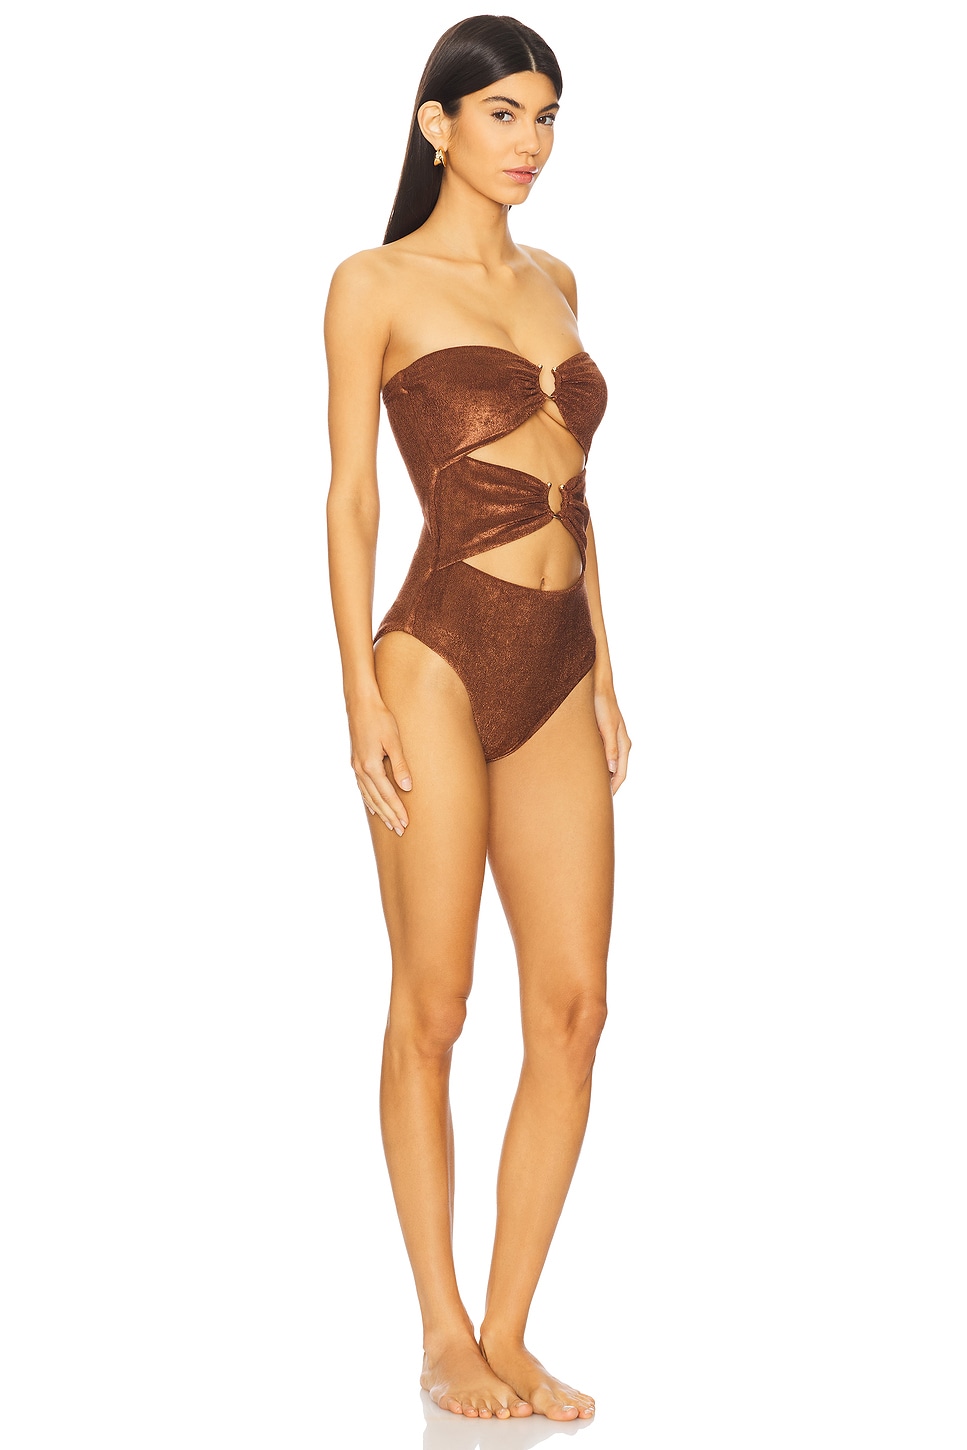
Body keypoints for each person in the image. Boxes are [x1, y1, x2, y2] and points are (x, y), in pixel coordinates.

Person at [324, 14, 631, 1422]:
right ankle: (441, 1332)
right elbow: (352, 498)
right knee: (435, 1002)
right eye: (503, 113)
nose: (531, 142)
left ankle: (508, 1331)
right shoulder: (373, 282)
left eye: (547, 116)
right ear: (435, 124)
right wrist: (357, 692)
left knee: (573, 1007)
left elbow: (577, 492)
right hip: (435, 654)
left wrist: (607, 671)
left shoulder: (556, 279)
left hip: (559, 661)